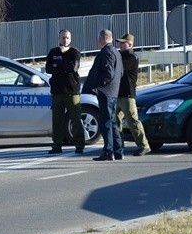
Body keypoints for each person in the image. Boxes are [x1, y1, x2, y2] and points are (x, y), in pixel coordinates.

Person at [82, 29, 124, 161]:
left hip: (106, 92)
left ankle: (108, 151)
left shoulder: (106, 52)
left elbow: (108, 74)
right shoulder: (116, 52)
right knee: (112, 122)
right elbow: (120, 72)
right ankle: (118, 151)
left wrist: (98, 86)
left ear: (101, 39)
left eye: (98, 39)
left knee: (106, 122)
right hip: (113, 91)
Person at [44, 29, 84, 154]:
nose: (65, 40)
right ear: (58, 38)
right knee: (57, 120)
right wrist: (62, 66)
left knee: (75, 119)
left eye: (67, 38)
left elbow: (73, 67)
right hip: (56, 91)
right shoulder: (53, 52)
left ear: (70, 39)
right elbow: (48, 68)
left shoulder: (75, 52)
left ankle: (79, 145)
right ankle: (57, 145)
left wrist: (58, 65)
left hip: (72, 91)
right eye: (62, 38)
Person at [116, 33, 151, 156]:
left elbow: (118, 68)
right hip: (118, 93)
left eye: (123, 43)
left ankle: (144, 145)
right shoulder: (120, 55)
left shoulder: (131, 57)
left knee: (132, 120)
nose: (120, 45)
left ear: (130, 44)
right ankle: (118, 146)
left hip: (127, 94)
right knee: (115, 120)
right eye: (119, 43)